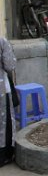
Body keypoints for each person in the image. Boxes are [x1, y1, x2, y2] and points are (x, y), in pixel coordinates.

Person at [0, 37, 17, 167]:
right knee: (5, 122)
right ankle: (5, 155)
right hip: (1, 89)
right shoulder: (2, 41)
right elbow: (10, 65)